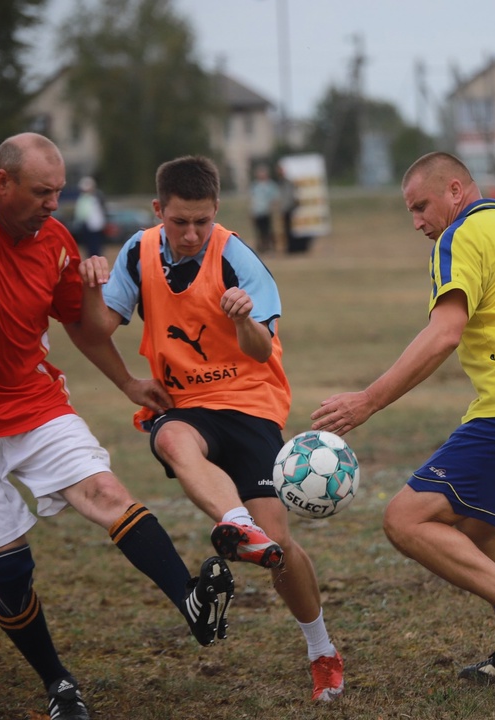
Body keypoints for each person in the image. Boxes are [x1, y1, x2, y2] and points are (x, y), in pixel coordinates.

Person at [0, 134, 233, 720]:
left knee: (107, 491)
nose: (54, 204)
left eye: (58, 191)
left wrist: (127, 378)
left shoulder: (56, 240)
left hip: (35, 405)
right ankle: (59, 685)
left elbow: (85, 328)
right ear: (2, 183)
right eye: (42, 192)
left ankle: (191, 603)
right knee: (10, 567)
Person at [310, 151, 495, 697]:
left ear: (457, 191)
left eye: (422, 206)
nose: (418, 221)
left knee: (405, 519)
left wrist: (368, 400)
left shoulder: (459, 239)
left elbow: (445, 332)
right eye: (410, 212)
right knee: (478, 527)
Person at [76, 155, 345, 703]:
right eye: (179, 222)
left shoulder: (238, 257)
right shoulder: (137, 251)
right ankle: (236, 522)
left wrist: (243, 315)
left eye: (202, 220)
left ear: (216, 211)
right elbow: (96, 327)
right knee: (171, 438)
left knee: (280, 546)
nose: (192, 233)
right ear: (159, 211)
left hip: (251, 404)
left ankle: (322, 650)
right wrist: (90, 287)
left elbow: (259, 349)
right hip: (185, 404)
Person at [73, 175, 107, 258]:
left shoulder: (97, 197)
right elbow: (80, 214)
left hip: (95, 227)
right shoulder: (82, 199)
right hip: (86, 226)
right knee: (89, 248)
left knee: (96, 248)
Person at [249, 164, 279, 254]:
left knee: (268, 230)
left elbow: (274, 198)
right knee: (259, 230)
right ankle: (262, 247)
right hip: (257, 211)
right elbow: (253, 199)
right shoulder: (255, 186)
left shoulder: (270, 185)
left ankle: (270, 247)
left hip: (267, 211)